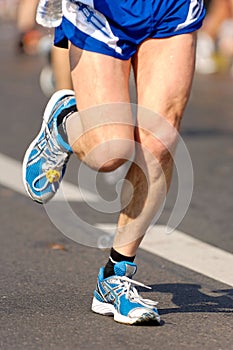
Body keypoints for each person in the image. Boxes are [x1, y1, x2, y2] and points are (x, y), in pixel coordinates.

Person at [22, 0, 206, 325]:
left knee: (159, 140)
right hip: (103, 9)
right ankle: (66, 121)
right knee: (107, 152)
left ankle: (115, 275)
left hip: (170, 7)